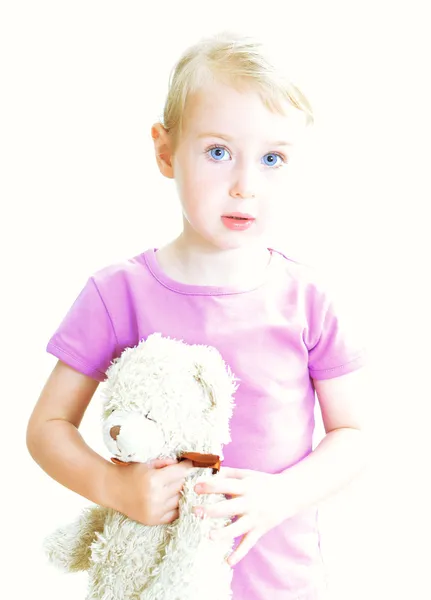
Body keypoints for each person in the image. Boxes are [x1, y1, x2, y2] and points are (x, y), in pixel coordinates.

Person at [27, 31, 368, 600]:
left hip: (280, 585)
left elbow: (354, 433)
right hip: (151, 583)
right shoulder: (119, 293)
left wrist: (282, 496)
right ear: (165, 151)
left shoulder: (308, 298)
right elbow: (46, 429)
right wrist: (114, 486)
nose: (244, 185)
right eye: (218, 152)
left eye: (272, 158)